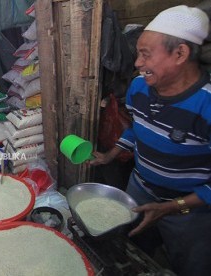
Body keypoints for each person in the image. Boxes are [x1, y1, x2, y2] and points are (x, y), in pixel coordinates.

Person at [90, 6, 211, 275]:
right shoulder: (139, 88)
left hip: (188, 211)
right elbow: (137, 128)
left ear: (180, 53)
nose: (137, 63)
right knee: (135, 248)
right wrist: (110, 154)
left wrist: (172, 207)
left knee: (189, 265)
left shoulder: (206, 105)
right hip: (140, 190)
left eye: (146, 55)